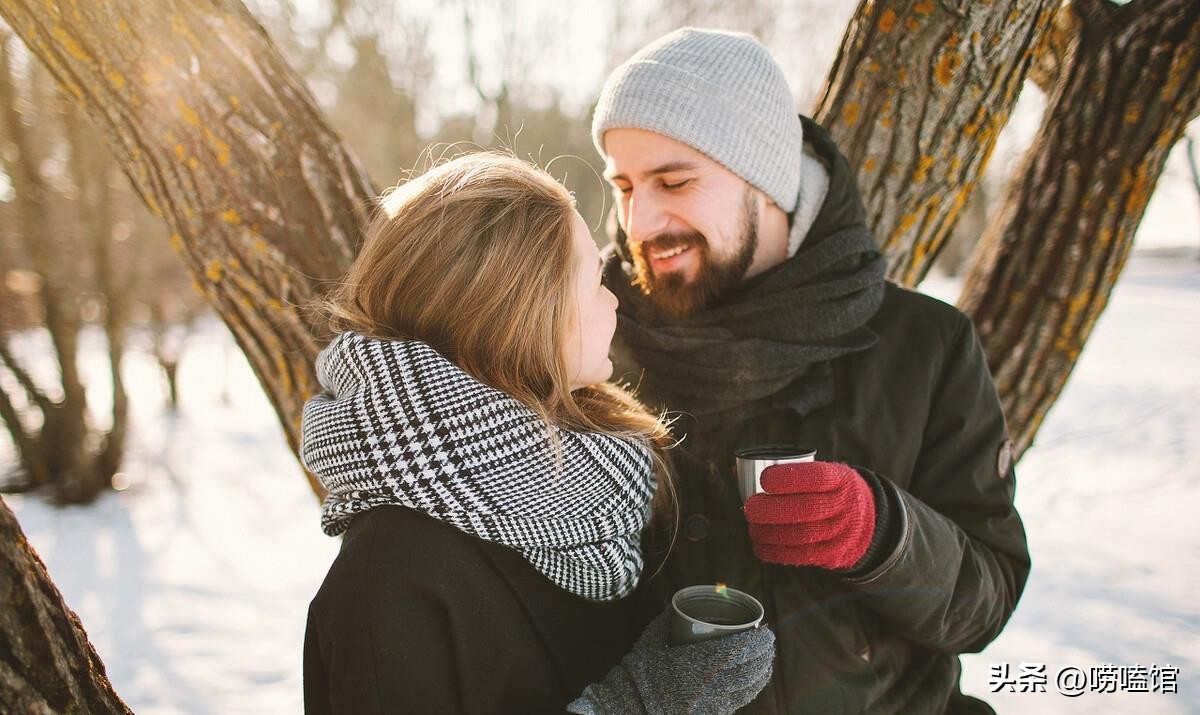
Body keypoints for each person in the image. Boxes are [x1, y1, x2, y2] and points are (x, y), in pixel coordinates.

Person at [591, 28, 1031, 714]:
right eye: (624, 187)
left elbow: (987, 601)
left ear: (765, 181)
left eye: (673, 181)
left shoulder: (925, 346)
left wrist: (883, 533)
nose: (640, 222)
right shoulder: (593, 341)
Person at [299, 152, 774, 714]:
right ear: (524, 313)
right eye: (594, 282)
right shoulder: (389, 578)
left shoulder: (599, 480)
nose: (613, 300)